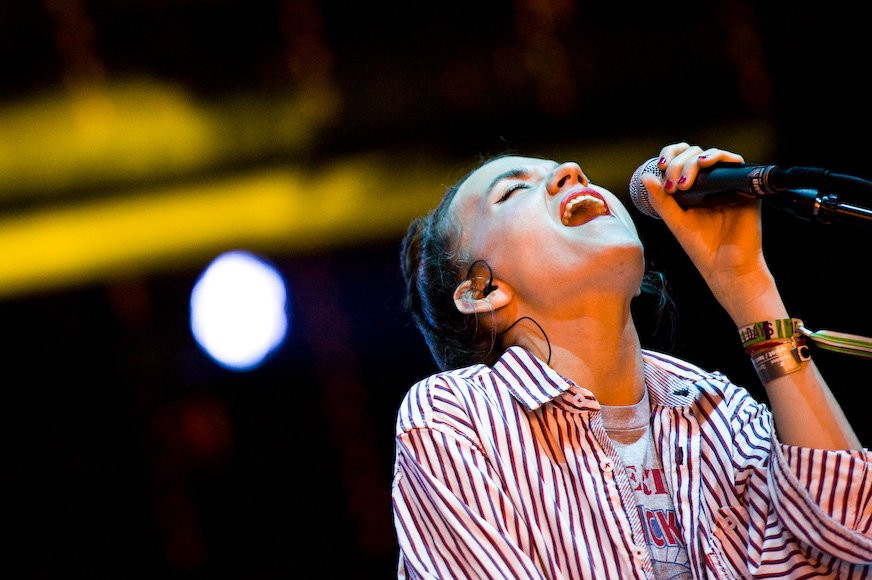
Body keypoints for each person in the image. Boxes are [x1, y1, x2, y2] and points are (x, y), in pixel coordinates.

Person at [392, 142, 872, 579]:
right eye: (514, 190)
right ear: (483, 291)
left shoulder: (714, 410)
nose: (571, 171)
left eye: (562, 168)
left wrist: (748, 284)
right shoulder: (454, 418)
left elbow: (850, 550)